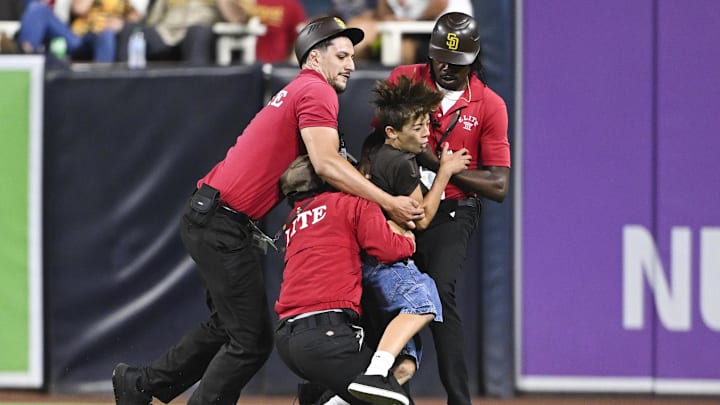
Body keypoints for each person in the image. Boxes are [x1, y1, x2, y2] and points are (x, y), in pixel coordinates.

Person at [111, 15, 423, 405]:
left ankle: (140, 384)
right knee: (250, 340)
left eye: (352, 57)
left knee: (230, 328)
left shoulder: (300, 90)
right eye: (342, 55)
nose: (351, 65)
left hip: (212, 216)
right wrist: (389, 201)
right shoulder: (316, 91)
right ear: (314, 57)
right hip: (220, 221)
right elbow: (326, 164)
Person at [378, 12, 511, 405]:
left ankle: (459, 399)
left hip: (453, 210)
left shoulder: (489, 104)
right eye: (439, 59)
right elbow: (377, 139)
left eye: (456, 64)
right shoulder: (405, 78)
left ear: (473, 60)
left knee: (437, 290)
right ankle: (385, 386)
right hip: (398, 201)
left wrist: (440, 167)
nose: (446, 69)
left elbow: (499, 185)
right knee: (379, 288)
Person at [347, 75, 471, 405]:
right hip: (387, 265)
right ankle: (372, 373)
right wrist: (445, 170)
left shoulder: (377, 154)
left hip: (368, 264)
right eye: (416, 129)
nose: (425, 134)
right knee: (426, 302)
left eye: (426, 125)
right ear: (392, 132)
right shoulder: (402, 163)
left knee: (405, 366)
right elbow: (423, 218)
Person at [275, 154, 416, 405]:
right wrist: (408, 240)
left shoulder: (293, 221)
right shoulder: (351, 202)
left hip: (288, 340)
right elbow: (389, 250)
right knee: (391, 399)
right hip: (328, 335)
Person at [348, 0, 473, 64]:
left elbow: (439, 5)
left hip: (451, 36)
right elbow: (385, 12)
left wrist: (410, 21)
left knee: (404, 48)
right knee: (360, 31)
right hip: (406, 30)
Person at [118, 0, 240, 65]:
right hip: (166, 32)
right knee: (132, 30)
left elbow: (237, 19)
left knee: (197, 33)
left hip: (198, 32)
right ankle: (124, 88)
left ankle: (197, 93)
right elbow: (153, 17)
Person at [16, 0, 140, 62]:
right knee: (37, 8)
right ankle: (26, 59)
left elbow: (136, 17)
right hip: (78, 37)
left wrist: (121, 23)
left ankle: (101, 83)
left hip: (104, 36)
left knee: (107, 35)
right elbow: (79, 8)